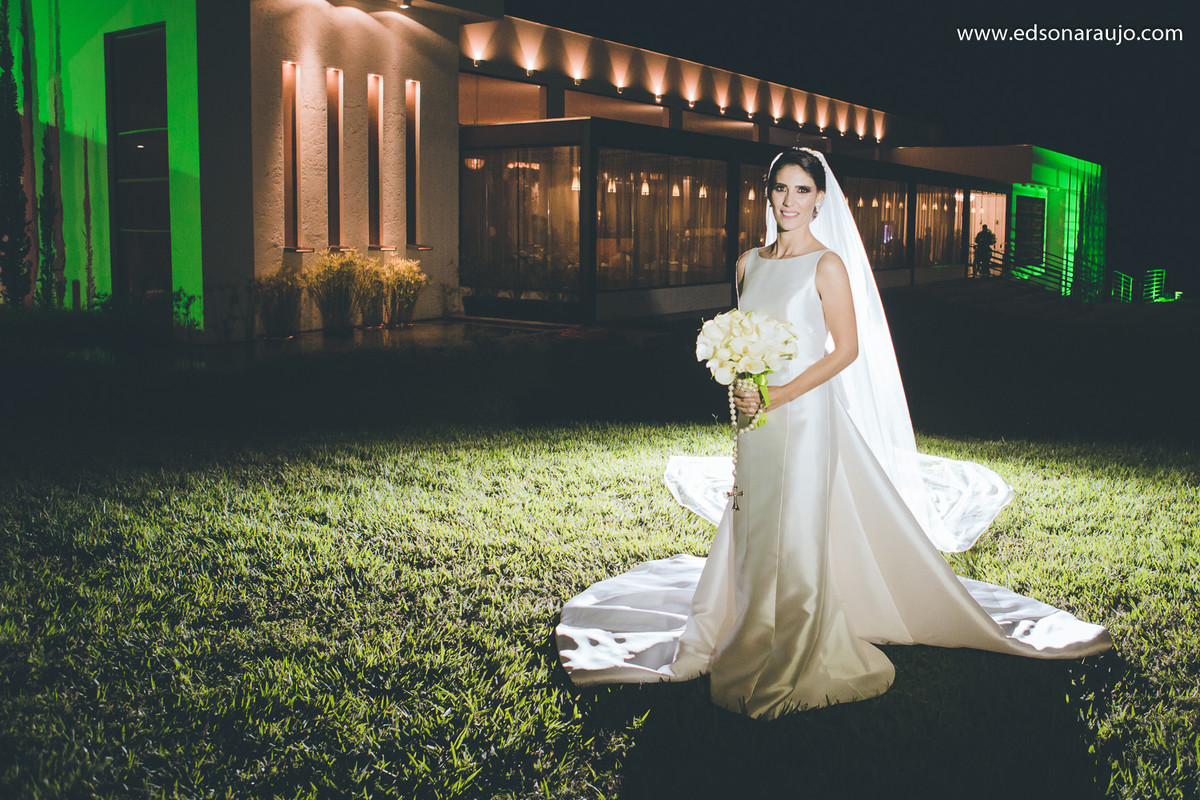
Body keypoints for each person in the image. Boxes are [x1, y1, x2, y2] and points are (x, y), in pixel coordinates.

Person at [556, 148, 1111, 719]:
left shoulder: (827, 265)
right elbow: (743, 336)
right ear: (767, 193)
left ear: (820, 199)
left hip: (804, 414)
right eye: (780, 189)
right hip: (755, 417)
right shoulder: (748, 262)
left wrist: (780, 394)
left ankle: (791, 643)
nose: (789, 201)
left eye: (801, 191)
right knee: (753, 513)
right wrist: (742, 388)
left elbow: (845, 349)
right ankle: (744, 619)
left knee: (795, 525)